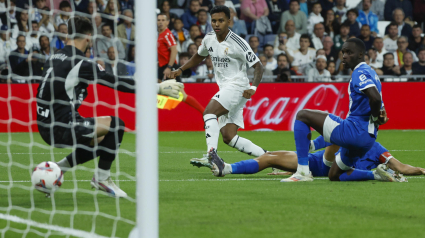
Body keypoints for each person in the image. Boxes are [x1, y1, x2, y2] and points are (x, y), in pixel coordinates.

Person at [36, 16, 134, 197]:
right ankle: (102, 178)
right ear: (89, 37)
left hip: (44, 125)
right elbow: (116, 82)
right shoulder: (81, 62)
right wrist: (156, 87)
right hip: (62, 127)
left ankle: (59, 168)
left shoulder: (54, 56)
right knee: (116, 124)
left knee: (103, 140)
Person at [281, 38, 390, 182]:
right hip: (368, 139)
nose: (344, 56)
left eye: (349, 52)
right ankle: (376, 174)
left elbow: (375, 98)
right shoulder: (372, 73)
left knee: (302, 115)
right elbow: (380, 107)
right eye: (343, 52)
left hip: (354, 132)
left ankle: (302, 172)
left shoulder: (359, 72)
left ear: (360, 54)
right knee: (334, 175)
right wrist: (378, 117)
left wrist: (376, 117)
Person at [169, 5, 268, 160]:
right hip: (226, 88)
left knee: (209, 113)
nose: (216, 24)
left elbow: (258, 66)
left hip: (238, 86)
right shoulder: (209, 38)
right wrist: (180, 69)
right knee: (229, 137)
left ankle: (211, 155)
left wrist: (253, 87)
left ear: (229, 21)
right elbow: (199, 55)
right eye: (214, 20)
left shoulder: (238, 43)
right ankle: (271, 158)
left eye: (221, 21)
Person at [199, 139, 420, 182]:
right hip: (325, 165)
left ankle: (227, 169)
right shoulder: (376, 147)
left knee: (269, 158)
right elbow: (400, 168)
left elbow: (402, 167)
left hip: (321, 164)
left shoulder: (377, 148)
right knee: (269, 157)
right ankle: (226, 168)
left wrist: (421, 169)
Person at [157, 13, 177, 82]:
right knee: (158, 85)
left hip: (168, 65)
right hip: (161, 65)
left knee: (176, 87)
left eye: (163, 20)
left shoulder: (167, 34)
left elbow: (174, 50)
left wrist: (169, 67)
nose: (160, 22)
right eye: (159, 20)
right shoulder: (158, 34)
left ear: (167, 22)